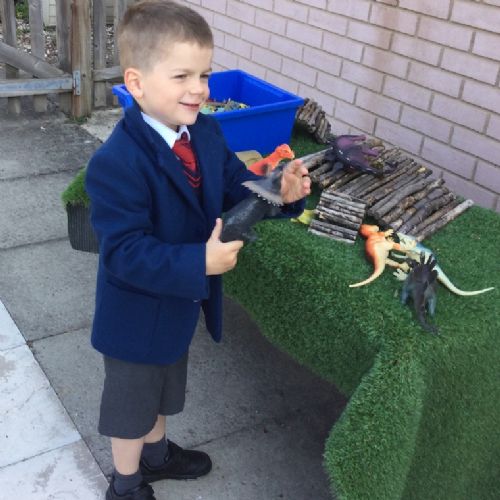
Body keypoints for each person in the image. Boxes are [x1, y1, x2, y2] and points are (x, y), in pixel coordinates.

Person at [85, 1, 311, 499]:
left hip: (177, 303)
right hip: (134, 314)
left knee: (165, 387)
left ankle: (158, 455)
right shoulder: (116, 163)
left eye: (204, 74)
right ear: (137, 83)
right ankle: (126, 483)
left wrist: (280, 191)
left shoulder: (205, 132)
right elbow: (123, 253)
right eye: (182, 75)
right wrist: (200, 262)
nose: (199, 89)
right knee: (132, 405)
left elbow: (235, 186)